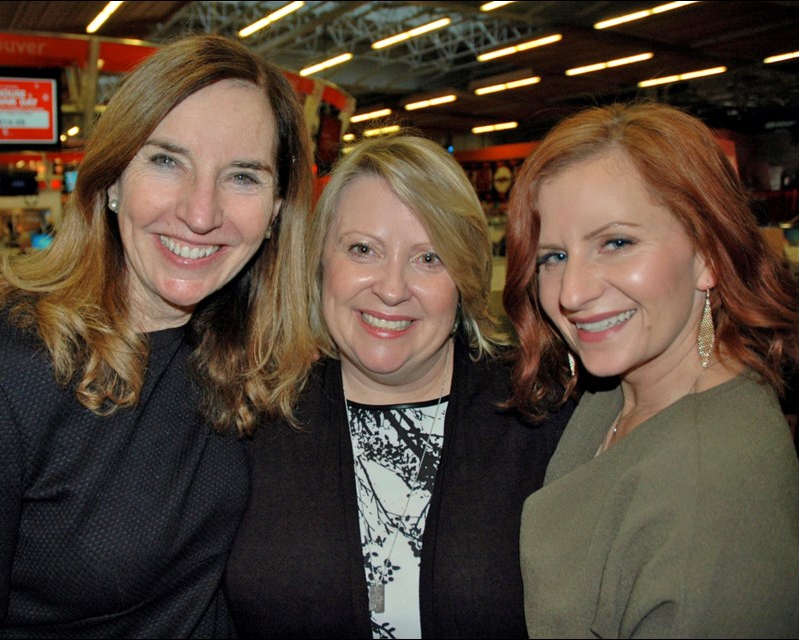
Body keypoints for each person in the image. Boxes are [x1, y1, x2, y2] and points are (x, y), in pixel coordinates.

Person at [0, 33, 312, 638]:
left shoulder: (254, 357)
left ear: (276, 210)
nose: (201, 213)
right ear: (112, 180)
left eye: (243, 176)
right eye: (167, 160)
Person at [225, 135, 574, 638]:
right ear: (320, 263)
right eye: (363, 249)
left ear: (465, 276)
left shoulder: (538, 410)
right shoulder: (255, 413)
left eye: (429, 258)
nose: (391, 289)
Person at [503, 102, 799, 638]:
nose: (572, 293)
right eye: (553, 256)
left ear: (708, 254)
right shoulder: (619, 391)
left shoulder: (715, 484)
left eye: (616, 243)